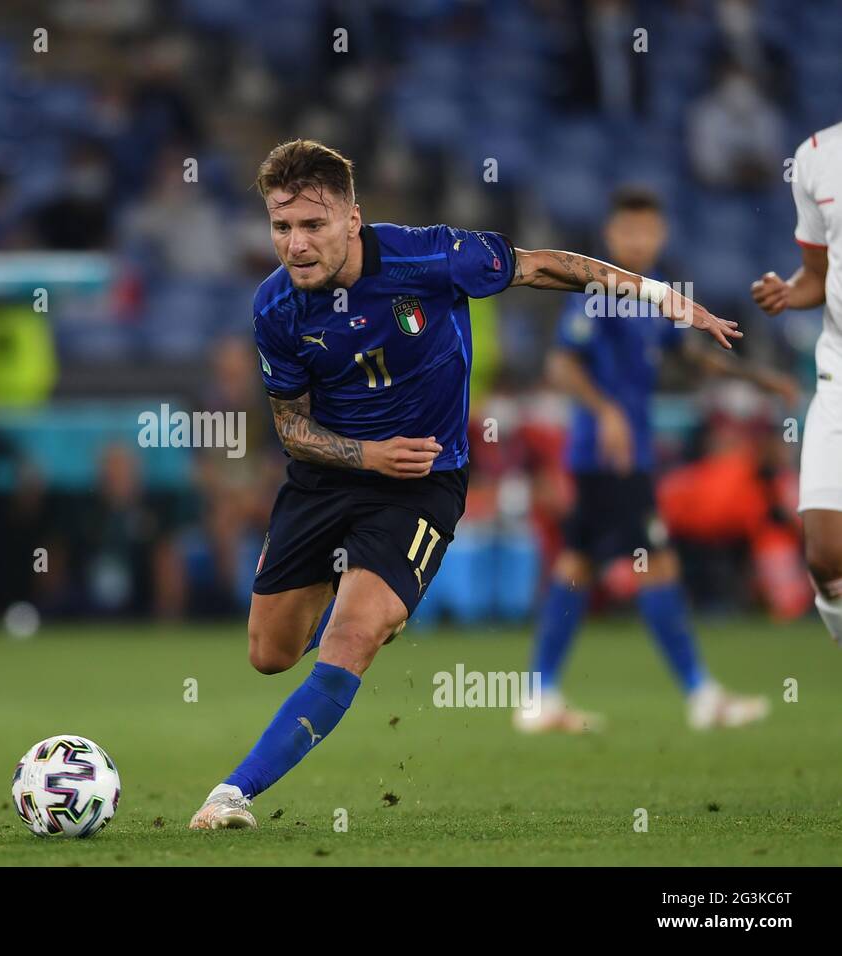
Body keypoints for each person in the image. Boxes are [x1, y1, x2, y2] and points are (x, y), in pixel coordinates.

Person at [189, 139, 742, 829]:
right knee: (269, 654)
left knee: (354, 637)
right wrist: (368, 455)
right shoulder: (275, 308)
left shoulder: (432, 257)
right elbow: (292, 429)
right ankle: (361, 594)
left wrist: (660, 296)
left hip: (423, 481)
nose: (295, 245)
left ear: (352, 219)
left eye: (313, 225)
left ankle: (231, 795)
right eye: (281, 226)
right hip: (328, 479)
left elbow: (547, 267)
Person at [519, 187, 794, 734]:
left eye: (650, 230)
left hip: (622, 460)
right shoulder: (595, 292)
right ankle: (700, 693)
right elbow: (560, 366)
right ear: (611, 235)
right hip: (608, 457)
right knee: (657, 562)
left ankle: (539, 696)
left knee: (576, 568)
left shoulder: (651, 300)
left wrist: (756, 378)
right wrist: (608, 412)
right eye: (630, 230)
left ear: (661, 234)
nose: (640, 240)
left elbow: (688, 356)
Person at [751, 121, 842, 649]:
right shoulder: (815, 156)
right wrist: (788, 292)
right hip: (838, 370)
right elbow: (818, 274)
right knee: (827, 556)